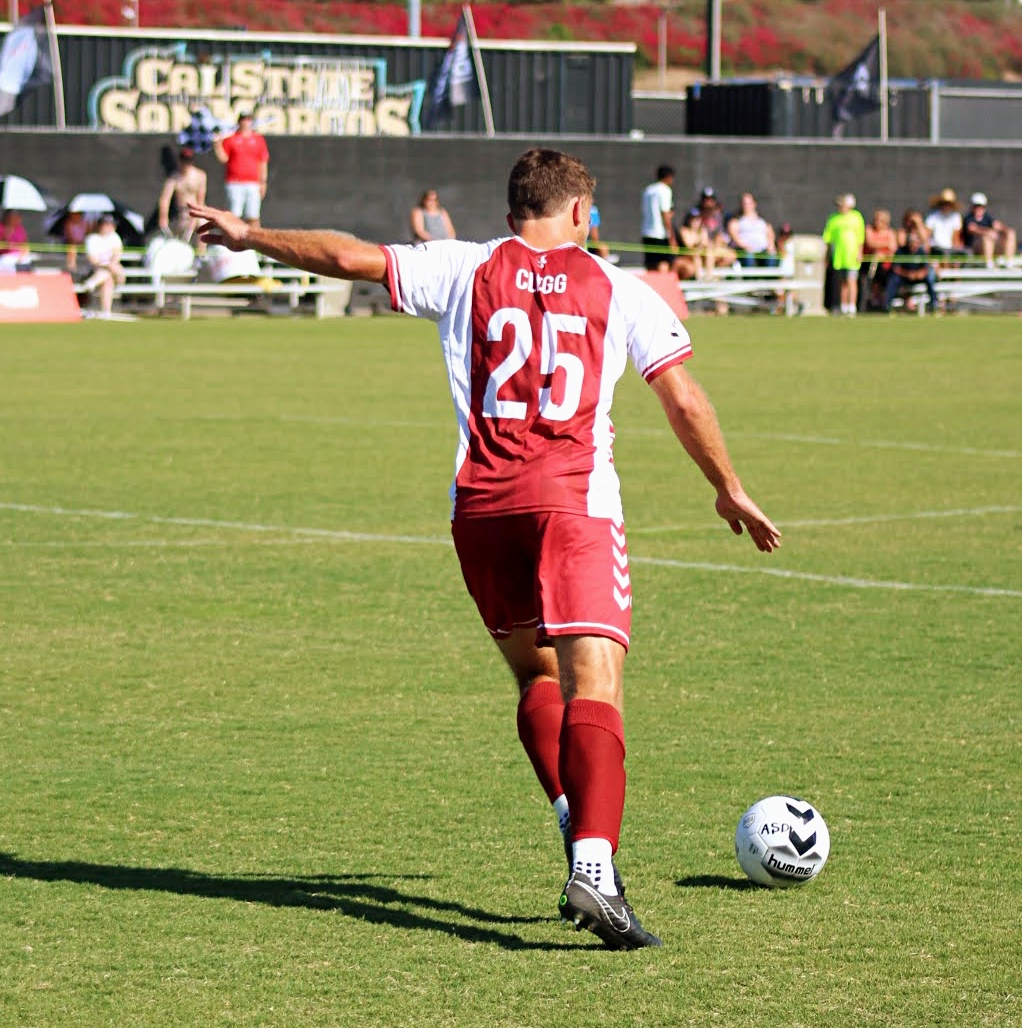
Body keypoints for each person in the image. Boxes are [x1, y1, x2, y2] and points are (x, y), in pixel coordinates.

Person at [189, 148, 781, 952]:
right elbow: (683, 396)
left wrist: (251, 233)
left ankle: (574, 820)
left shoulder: (464, 267)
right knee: (594, 683)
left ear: (512, 216)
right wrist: (728, 484)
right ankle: (596, 867)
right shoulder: (618, 288)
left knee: (537, 676)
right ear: (580, 213)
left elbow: (345, 256)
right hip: (575, 506)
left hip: (484, 508)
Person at [213, 112, 270, 227]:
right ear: (239, 121)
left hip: (253, 183)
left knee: (253, 216)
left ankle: (255, 243)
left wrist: (262, 181)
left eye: (249, 119)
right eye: (244, 119)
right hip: (235, 182)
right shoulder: (231, 138)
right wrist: (217, 145)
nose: (246, 122)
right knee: (234, 216)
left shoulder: (258, 140)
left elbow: (263, 161)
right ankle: (234, 243)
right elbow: (224, 158)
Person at [822, 193, 865, 315]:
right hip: (838, 256)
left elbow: (860, 237)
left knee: (851, 280)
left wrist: (859, 253)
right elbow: (828, 239)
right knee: (842, 282)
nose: (840, 207)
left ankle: (852, 306)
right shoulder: (833, 218)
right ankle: (843, 305)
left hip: (852, 255)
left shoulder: (856, 217)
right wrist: (827, 256)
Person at [885, 215, 939, 314]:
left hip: (918, 277)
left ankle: (934, 304)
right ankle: (887, 305)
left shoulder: (921, 251)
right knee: (893, 279)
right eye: (911, 242)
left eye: (915, 242)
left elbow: (926, 267)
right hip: (904, 276)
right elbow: (896, 268)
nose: (913, 245)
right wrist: (908, 274)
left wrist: (919, 274)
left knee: (930, 277)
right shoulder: (901, 251)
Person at [158, 146, 208, 244]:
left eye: (188, 161)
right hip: (182, 213)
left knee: (203, 226)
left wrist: (193, 221)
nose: (186, 164)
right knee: (181, 236)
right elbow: (165, 199)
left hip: (198, 211)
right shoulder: (174, 178)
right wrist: (163, 217)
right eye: (184, 161)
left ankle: (202, 256)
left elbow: (200, 200)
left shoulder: (200, 175)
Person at [82, 214, 125, 315]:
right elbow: (93, 260)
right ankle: (106, 311)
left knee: (111, 272)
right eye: (106, 224)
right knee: (108, 280)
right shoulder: (92, 239)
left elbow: (117, 255)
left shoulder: (115, 237)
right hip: (98, 270)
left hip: (116, 272)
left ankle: (92, 282)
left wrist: (110, 265)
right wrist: (108, 266)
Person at [963, 192, 1017, 269]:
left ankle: (1009, 261)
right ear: (972, 207)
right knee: (986, 238)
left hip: (992, 247)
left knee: (1011, 234)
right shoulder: (969, 218)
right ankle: (989, 264)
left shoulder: (987, 218)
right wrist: (988, 232)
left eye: (981, 206)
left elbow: (998, 225)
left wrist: (1006, 231)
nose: (979, 208)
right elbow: (972, 229)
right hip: (975, 249)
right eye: (976, 206)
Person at [640, 164, 677, 272]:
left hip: (647, 233)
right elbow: (665, 214)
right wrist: (672, 236)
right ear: (669, 177)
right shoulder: (665, 190)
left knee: (651, 265)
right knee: (663, 264)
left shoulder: (648, 190)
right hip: (659, 234)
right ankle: (662, 288)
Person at [727, 192, 777, 268]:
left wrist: (771, 245)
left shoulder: (762, 220)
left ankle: (771, 279)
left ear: (754, 203)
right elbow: (734, 235)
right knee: (748, 257)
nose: (747, 206)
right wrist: (745, 246)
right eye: (744, 203)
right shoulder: (737, 221)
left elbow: (770, 234)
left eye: (749, 203)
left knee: (772, 256)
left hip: (763, 250)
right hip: (746, 251)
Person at [862, 208, 898, 310]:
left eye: (880, 220)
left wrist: (882, 253)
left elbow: (893, 248)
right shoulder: (869, 229)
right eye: (876, 219)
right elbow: (870, 243)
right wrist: (885, 245)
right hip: (869, 265)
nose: (877, 222)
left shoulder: (890, 232)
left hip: (885, 266)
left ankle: (883, 303)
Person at [924, 188, 966, 263]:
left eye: (948, 203)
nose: (946, 206)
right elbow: (927, 234)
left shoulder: (956, 217)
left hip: (950, 249)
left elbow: (956, 237)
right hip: (935, 247)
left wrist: (956, 250)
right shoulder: (932, 216)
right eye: (944, 203)